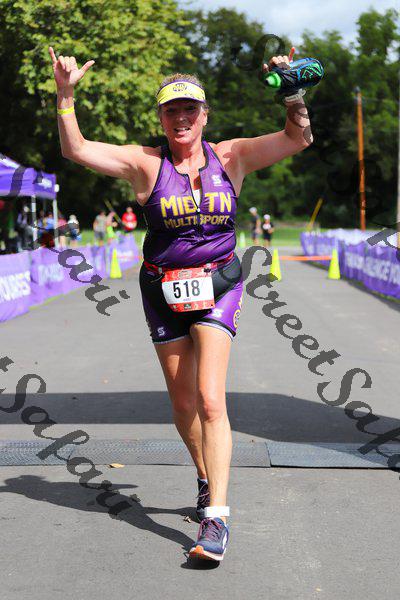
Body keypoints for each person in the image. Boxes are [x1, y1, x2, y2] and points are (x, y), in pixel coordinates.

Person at [49, 45, 312, 562]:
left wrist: (294, 95)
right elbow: (75, 149)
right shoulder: (145, 164)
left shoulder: (232, 156)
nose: (181, 117)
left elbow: (298, 138)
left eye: (190, 108)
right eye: (172, 109)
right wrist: (64, 95)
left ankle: (216, 519)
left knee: (211, 400)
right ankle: (204, 475)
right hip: (162, 290)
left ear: (205, 114)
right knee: (184, 404)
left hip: (218, 287)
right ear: (162, 118)